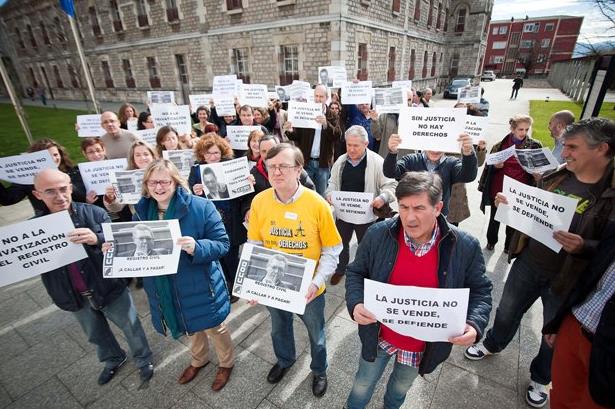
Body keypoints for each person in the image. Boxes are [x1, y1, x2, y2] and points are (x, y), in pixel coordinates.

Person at [465, 118, 615, 408]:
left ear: (602, 149)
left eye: (572, 147)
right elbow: (531, 211)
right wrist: (509, 204)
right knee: (507, 309)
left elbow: (610, 250)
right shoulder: (555, 176)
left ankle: (541, 377)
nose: (564, 151)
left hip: (570, 280)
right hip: (529, 261)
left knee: (553, 333)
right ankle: (493, 342)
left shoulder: (610, 195)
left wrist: (585, 246)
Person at [344, 171, 492, 409]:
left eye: (419, 208)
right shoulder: (378, 234)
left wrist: (474, 323)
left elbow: (481, 291)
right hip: (378, 337)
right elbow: (356, 272)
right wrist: (356, 302)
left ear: (438, 207)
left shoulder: (465, 246)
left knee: (399, 391)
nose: (409, 218)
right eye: (403, 207)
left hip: (420, 348)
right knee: (361, 386)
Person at [33, 168, 154, 385]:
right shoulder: (33, 229)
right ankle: (112, 359)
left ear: (71, 188)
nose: (60, 197)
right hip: (71, 293)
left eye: (63, 189)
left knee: (130, 325)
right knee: (94, 333)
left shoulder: (94, 213)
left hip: (107, 286)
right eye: (50, 192)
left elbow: (121, 243)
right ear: (37, 195)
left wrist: (97, 238)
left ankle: (143, 359)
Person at [247, 143, 342, 397]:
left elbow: (332, 250)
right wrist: (252, 282)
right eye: (271, 166)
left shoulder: (317, 204)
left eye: (283, 166)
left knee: (316, 333)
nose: (276, 172)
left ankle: (319, 369)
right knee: (279, 326)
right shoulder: (260, 202)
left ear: (299, 169)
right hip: (273, 284)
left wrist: (316, 282)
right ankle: (285, 360)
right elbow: (254, 244)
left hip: (309, 288)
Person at [130, 159, 235, 390]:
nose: (158, 187)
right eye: (153, 182)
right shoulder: (140, 212)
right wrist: (116, 250)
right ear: (146, 184)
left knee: (214, 327)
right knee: (189, 326)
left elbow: (222, 244)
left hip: (199, 284)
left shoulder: (200, 206)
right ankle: (199, 359)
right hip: (166, 286)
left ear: (176, 182)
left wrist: (197, 247)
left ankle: (226, 363)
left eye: (164, 181)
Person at [543, 234, 615, 409]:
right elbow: (591, 272)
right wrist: (561, 320)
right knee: (560, 398)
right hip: (574, 324)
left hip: (608, 355)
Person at [325, 125, 397, 286]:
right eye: (348, 145)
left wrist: (383, 198)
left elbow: (391, 185)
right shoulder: (341, 161)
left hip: (366, 216)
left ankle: (365, 274)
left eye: (355, 145)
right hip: (343, 214)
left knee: (366, 247)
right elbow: (332, 183)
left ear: (366, 144)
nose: (351, 149)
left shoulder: (378, 162)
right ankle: (340, 269)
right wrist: (329, 194)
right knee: (340, 244)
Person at [189, 135, 245, 302]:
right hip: (209, 220)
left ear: (222, 152)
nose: (212, 157)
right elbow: (189, 195)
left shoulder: (231, 167)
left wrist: (247, 182)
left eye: (216, 152)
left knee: (231, 255)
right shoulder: (196, 171)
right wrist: (194, 191)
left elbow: (243, 194)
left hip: (230, 218)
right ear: (202, 154)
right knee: (218, 254)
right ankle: (226, 282)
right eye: (208, 153)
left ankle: (236, 284)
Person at [478, 114, 542, 252]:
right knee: (494, 219)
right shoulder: (499, 145)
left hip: (519, 190)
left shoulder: (534, 146)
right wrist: (495, 166)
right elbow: (488, 166)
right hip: (499, 188)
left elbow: (540, 169)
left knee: (513, 222)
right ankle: (491, 241)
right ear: (512, 129)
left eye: (526, 129)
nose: (524, 133)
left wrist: (536, 174)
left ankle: (508, 246)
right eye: (520, 129)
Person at [383, 133, 478, 217]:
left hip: (438, 216)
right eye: (431, 144)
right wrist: (392, 152)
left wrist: (468, 153)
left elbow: (468, 176)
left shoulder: (451, 163)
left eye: (440, 145)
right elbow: (390, 172)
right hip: (412, 214)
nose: (435, 150)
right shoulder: (411, 160)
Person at [0, 138, 86, 215]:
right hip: (48, 220)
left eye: (55, 155)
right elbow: (8, 199)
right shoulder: (28, 179)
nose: (53, 159)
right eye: (47, 156)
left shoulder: (72, 171)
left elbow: (83, 196)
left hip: (77, 215)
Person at [284, 84, 342, 196]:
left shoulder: (332, 115)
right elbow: (297, 136)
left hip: (323, 163)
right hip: (306, 162)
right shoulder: (306, 111)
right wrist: (289, 131)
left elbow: (338, 136)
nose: (318, 99)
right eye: (316, 96)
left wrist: (326, 124)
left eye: (321, 97)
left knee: (321, 195)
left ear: (326, 98)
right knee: (304, 194)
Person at [241, 134, 315, 221]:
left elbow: (311, 192)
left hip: (295, 219)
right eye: (264, 151)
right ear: (259, 152)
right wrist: (247, 210)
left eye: (272, 150)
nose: (268, 154)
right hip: (268, 222)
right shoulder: (254, 173)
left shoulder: (294, 170)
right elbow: (247, 199)